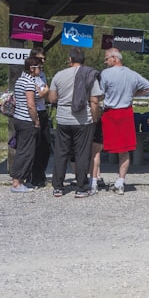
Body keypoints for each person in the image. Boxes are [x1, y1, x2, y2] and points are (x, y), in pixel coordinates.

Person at [47, 47, 103, 198]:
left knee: (61, 153)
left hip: (63, 119)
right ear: (84, 61)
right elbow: (94, 101)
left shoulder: (59, 75)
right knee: (82, 154)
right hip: (83, 120)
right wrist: (95, 118)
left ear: (70, 60)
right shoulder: (89, 75)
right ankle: (81, 188)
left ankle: (58, 187)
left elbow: (52, 99)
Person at [99, 47, 149, 195]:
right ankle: (120, 181)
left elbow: (101, 93)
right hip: (126, 113)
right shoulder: (132, 74)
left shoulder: (105, 74)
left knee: (97, 146)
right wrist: (133, 94)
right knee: (124, 150)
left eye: (106, 59)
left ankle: (95, 179)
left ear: (114, 58)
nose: (105, 62)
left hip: (110, 113)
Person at [10, 56, 43, 193]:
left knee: (22, 150)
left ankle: (19, 180)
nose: (41, 70)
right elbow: (31, 105)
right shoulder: (29, 82)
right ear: (32, 68)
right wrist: (36, 121)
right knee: (26, 152)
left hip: (18, 118)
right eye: (39, 68)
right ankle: (17, 182)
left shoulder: (19, 80)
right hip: (26, 120)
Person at [28, 46, 51, 188]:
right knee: (34, 146)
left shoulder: (42, 74)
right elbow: (38, 94)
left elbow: (46, 92)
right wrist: (44, 92)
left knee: (46, 145)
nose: (42, 61)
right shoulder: (29, 75)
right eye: (40, 58)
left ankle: (40, 174)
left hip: (43, 110)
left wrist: (44, 92)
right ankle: (32, 176)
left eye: (44, 59)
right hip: (32, 112)